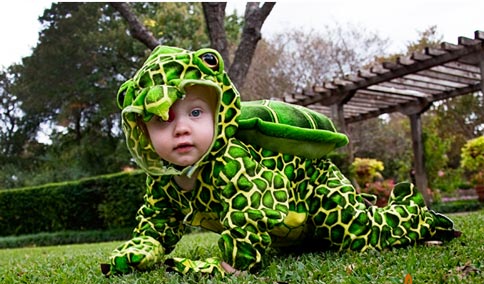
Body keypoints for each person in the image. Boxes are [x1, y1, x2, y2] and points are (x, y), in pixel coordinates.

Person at [102, 46, 460, 277]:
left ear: (218, 112)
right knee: (320, 244)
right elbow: (157, 223)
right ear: (141, 131)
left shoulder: (232, 161)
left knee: (357, 235)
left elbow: (249, 227)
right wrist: (143, 249)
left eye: (196, 112)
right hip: (291, 235)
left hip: (313, 190)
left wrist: (227, 267)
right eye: (162, 118)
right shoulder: (162, 179)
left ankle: (413, 219)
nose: (181, 129)